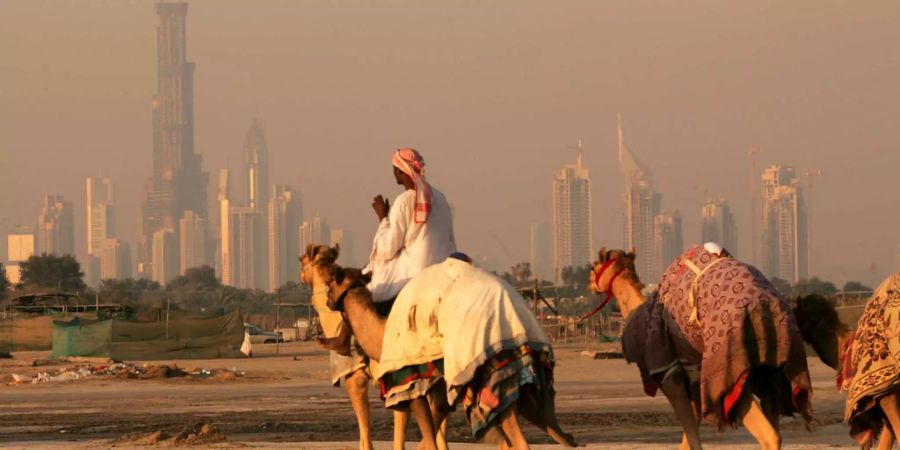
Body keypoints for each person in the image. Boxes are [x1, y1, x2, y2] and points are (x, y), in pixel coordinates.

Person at [364, 147, 457, 315]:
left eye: (394, 169)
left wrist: (383, 219)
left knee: (365, 288)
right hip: (446, 264)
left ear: (400, 172)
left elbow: (387, 248)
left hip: (417, 270)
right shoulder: (440, 197)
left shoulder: (405, 200)